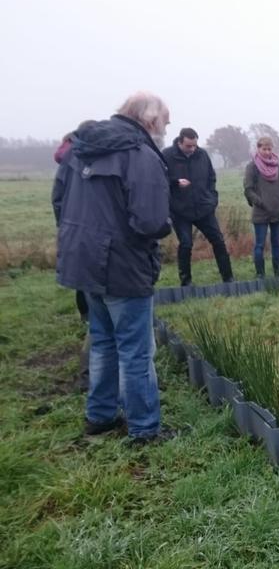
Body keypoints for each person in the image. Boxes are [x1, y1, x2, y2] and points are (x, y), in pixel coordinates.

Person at [54, 91, 172, 445]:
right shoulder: (139, 155)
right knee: (136, 350)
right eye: (166, 122)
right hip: (123, 264)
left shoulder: (78, 147)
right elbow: (151, 221)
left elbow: (59, 201)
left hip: (84, 262)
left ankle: (100, 416)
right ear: (150, 120)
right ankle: (144, 428)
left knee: (103, 342)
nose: (166, 129)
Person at [52, 119, 97, 392]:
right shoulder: (81, 163)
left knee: (96, 310)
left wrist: (69, 229)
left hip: (78, 242)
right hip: (97, 245)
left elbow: (58, 202)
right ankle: (90, 376)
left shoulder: (67, 162)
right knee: (104, 323)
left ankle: (90, 377)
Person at [163, 128, 233, 286]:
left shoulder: (202, 155)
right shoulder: (167, 155)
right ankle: (186, 282)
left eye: (195, 145)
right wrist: (175, 183)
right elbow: (159, 179)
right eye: (189, 146)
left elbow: (211, 177)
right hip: (180, 210)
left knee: (218, 241)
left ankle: (228, 278)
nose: (192, 149)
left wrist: (212, 199)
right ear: (180, 142)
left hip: (203, 208)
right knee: (186, 244)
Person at [244, 137, 279, 278]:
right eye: (264, 149)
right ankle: (260, 275)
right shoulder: (252, 167)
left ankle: (278, 273)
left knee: (276, 244)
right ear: (258, 148)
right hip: (260, 212)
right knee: (260, 245)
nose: (267, 152)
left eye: (269, 149)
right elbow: (248, 189)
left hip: (277, 211)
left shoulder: (276, 166)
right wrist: (260, 202)